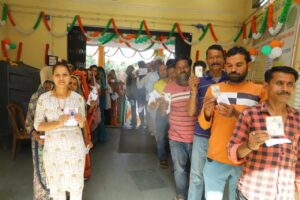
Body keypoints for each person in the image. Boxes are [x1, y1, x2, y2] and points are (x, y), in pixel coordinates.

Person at [199, 46, 266, 200]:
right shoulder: (214, 89)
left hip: (245, 159)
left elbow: (262, 127)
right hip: (216, 157)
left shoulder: (259, 91)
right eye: (229, 66)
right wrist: (207, 112)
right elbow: (204, 125)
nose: (233, 69)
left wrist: (235, 114)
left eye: (238, 65)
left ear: (248, 66)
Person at [228, 66, 300, 200]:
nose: (285, 89)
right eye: (279, 83)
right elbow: (232, 153)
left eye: (290, 84)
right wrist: (249, 145)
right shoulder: (250, 114)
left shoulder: (298, 118)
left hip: (285, 195)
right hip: (252, 193)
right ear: (266, 86)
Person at [34, 62, 86, 200]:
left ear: (70, 77)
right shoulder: (43, 99)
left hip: (75, 151)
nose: (61, 78)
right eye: (57, 74)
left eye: (65, 74)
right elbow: (38, 125)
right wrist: (58, 122)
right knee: (57, 190)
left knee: (76, 188)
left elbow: (83, 124)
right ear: (52, 77)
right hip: (53, 151)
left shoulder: (78, 99)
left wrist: (81, 121)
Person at [187, 44, 228, 200]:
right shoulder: (199, 81)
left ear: (223, 59)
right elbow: (191, 112)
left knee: (218, 178)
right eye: (211, 57)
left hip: (224, 137)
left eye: (218, 56)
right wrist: (193, 91)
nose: (215, 60)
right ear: (207, 60)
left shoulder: (231, 80)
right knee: (196, 176)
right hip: (202, 136)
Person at [162, 55, 196, 200]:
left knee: (196, 171)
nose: (182, 70)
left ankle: (195, 196)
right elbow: (165, 112)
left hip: (196, 137)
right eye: (179, 67)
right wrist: (162, 107)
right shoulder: (168, 88)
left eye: (185, 67)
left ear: (190, 68)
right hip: (176, 137)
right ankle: (181, 195)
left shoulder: (197, 84)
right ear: (175, 70)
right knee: (179, 169)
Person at [25, 66, 54, 200]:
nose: (48, 86)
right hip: (39, 139)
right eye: (46, 83)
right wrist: (36, 136)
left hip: (56, 139)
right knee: (40, 170)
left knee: (56, 167)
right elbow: (29, 122)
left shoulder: (58, 96)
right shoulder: (35, 97)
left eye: (50, 82)